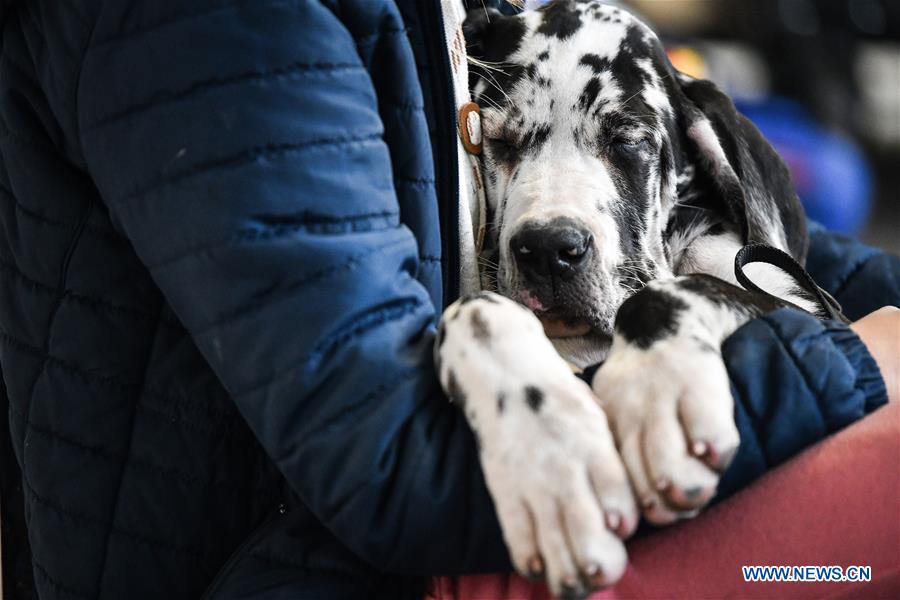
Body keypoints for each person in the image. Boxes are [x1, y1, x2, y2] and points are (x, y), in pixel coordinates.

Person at [0, 1, 896, 599]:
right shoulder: (220, 29)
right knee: (879, 504)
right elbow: (396, 462)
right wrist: (855, 360)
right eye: (503, 145)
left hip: (480, 489)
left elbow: (743, 232)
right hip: (333, 563)